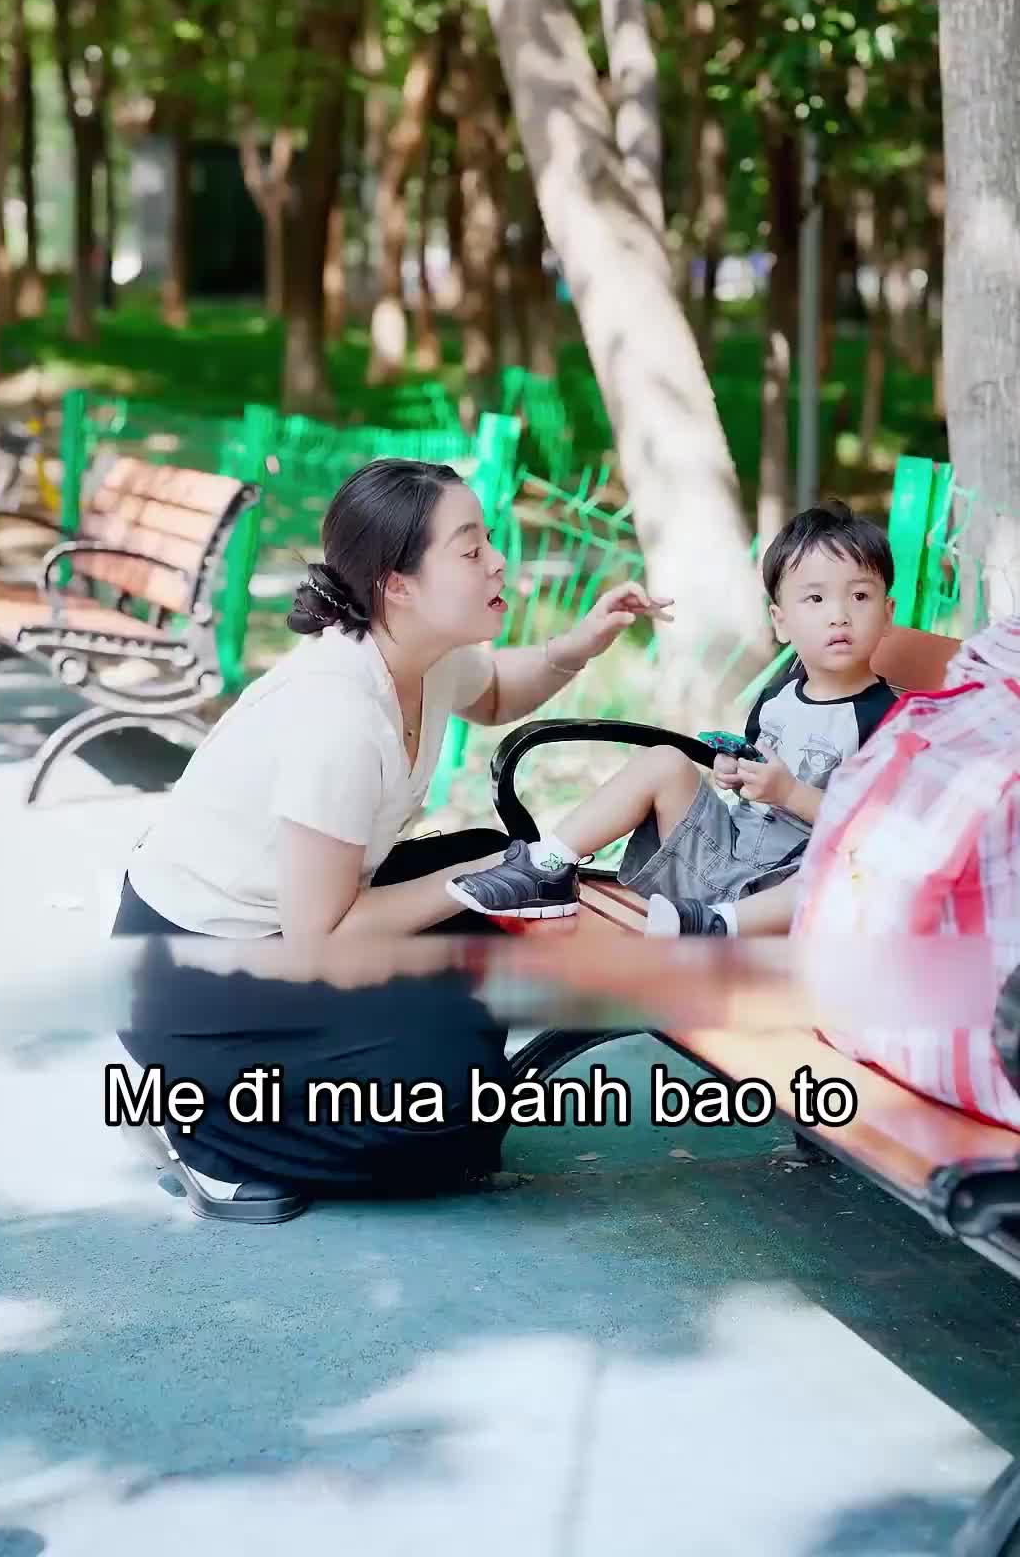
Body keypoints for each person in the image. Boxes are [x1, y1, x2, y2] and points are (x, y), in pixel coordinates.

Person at [113, 455, 671, 1221]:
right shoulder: (338, 716)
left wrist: (579, 645)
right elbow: (320, 938)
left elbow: (497, 692)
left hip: (286, 931)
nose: (497, 560)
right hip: (195, 975)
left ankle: (382, 1058)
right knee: (448, 1105)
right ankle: (209, 1126)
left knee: (494, 906)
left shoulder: (417, 655)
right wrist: (473, 877)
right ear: (397, 585)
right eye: (471, 550)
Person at [448, 501, 898, 940]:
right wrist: (736, 775)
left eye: (859, 596)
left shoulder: (891, 721)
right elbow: (755, 772)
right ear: (780, 622)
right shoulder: (778, 697)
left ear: (887, 614)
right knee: (666, 761)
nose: (839, 615)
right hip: (724, 854)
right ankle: (546, 866)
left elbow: (882, 832)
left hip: (787, 891)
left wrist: (791, 794)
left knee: (845, 871)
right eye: (816, 598)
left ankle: (716, 925)